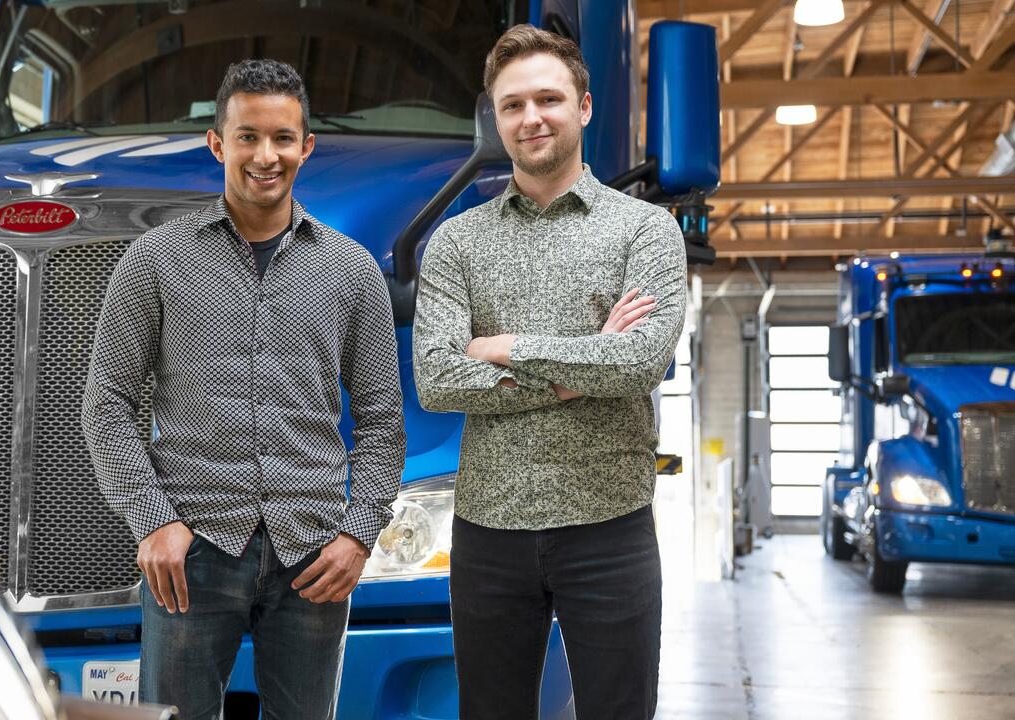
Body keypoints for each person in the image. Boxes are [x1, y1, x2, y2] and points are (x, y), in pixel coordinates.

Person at [82, 59, 406, 720]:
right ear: (218, 143)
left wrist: (359, 534)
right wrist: (153, 521)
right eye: (249, 136)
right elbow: (106, 403)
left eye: (283, 138)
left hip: (313, 553)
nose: (267, 155)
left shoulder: (353, 272)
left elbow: (381, 419)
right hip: (192, 553)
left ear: (306, 147)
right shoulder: (154, 260)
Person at [411, 24, 687, 720]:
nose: (531, 118)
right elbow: (437, 380)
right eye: (512, 105)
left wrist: (500, 346)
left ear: (584, 107)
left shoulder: (645, 231)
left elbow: (637, 362)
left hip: (610, 525)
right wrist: (577, 367)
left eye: (548, 99)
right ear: (495, 118)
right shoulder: (457, 240)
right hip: (487, 529)